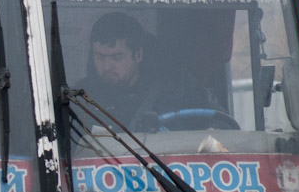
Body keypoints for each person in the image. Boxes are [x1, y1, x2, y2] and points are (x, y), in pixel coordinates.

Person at [74, 13, 211, 129]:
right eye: (99, 56)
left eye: (117, 57)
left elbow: (221, 125)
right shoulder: (82, 98)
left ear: (138, 55)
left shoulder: (176, 90)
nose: (107, 66)